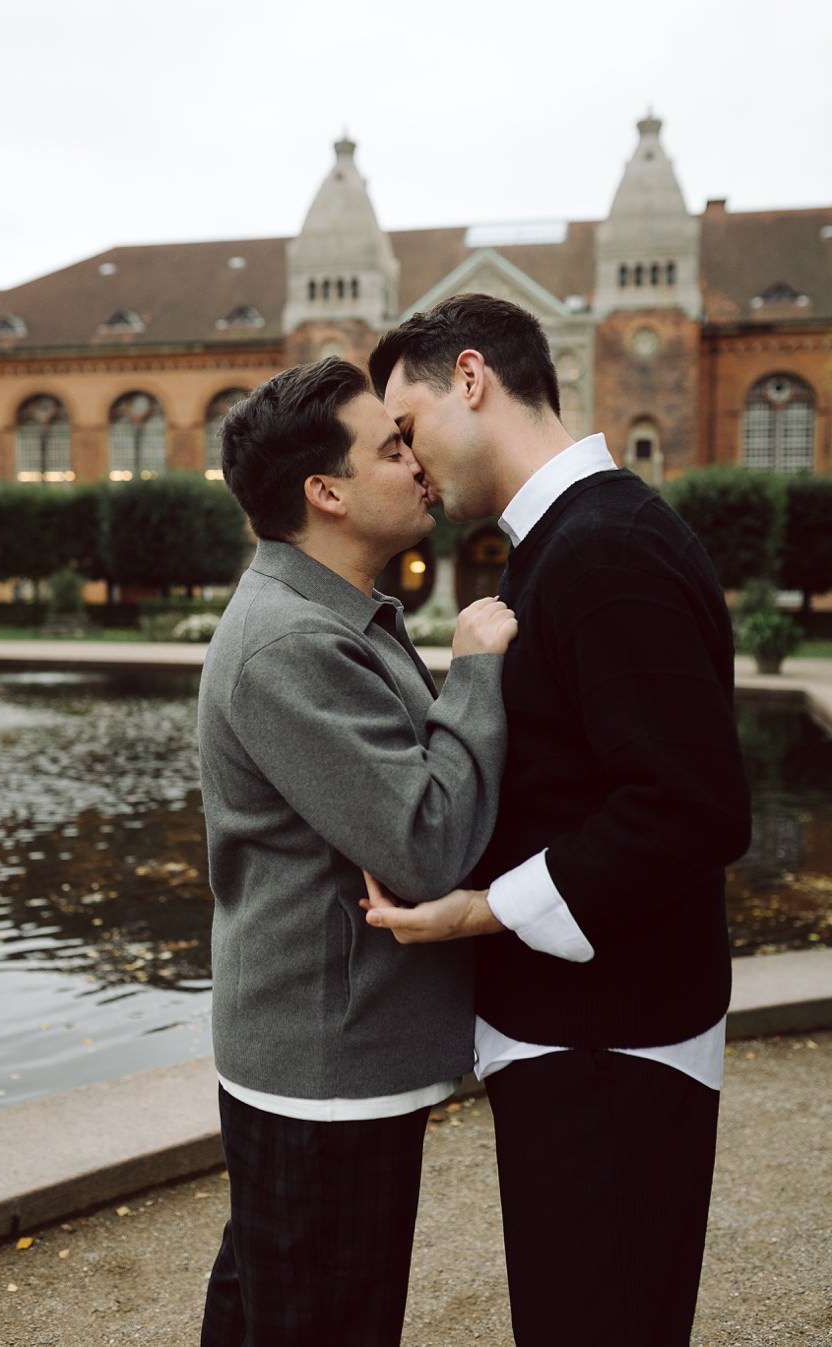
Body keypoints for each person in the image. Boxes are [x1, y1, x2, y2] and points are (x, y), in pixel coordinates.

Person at [364, 292, 752, 1346]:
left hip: (610, 1045)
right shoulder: (572, 539)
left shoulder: (605, 548)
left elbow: (691, 806)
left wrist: (482, 909)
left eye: (408, 427)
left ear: (473, 378)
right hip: (590, 1039)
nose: (410, 464)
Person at [196, 355, 517, 1344]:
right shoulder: (291, 641)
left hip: (327, 1057)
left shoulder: (333, 612)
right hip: (324, 1072)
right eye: (389, 448)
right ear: (325, 493)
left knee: (268, 1311)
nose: (416, 461)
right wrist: (474, 674)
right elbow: (426, 843)